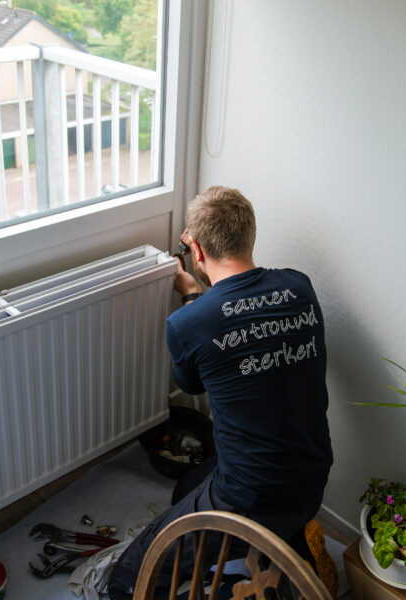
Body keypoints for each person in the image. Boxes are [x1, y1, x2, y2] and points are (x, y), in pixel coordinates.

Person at [107, 186, 333, 599]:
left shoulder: (190, 323)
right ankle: (279, 547)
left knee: (125, 580)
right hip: (312, 480)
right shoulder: (300, 288)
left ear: (193, 247)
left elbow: (191, 383)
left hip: (249, 499)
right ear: (250, 236)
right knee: (188, 484)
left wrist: (191, 295)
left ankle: (252, 558)